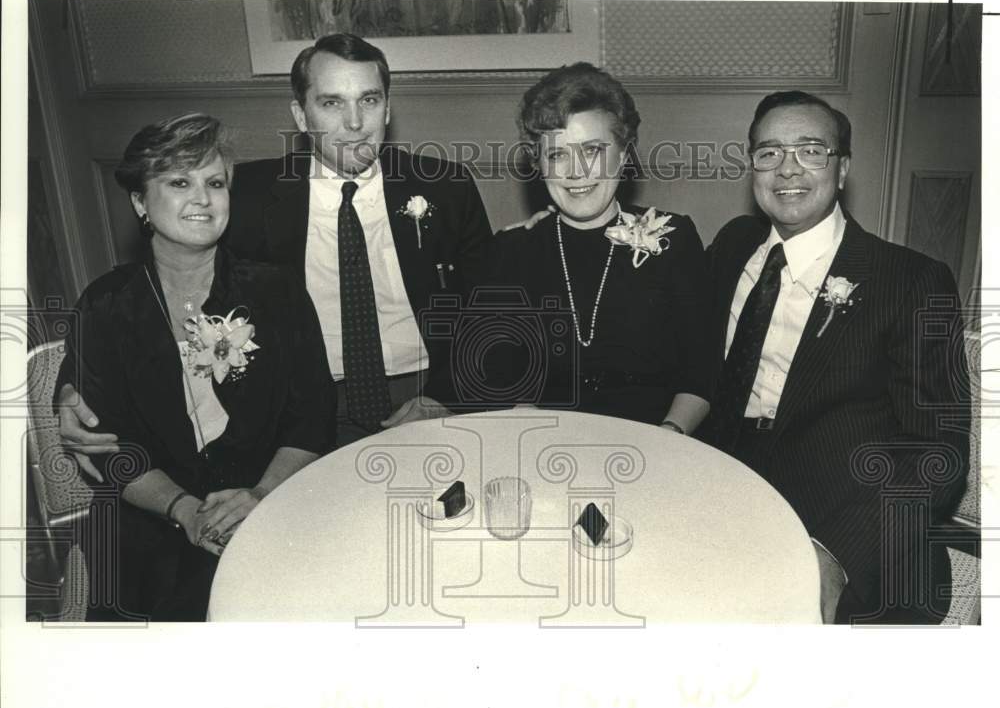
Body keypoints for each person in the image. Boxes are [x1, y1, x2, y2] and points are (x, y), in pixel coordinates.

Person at [58, 33, 493, 462]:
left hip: (425, 393)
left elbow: (489, 309)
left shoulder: (446, 187)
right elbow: (161, 284)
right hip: (297, 414)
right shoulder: (244, 194)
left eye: (369, 100)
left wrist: (442, 398)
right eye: (331, 103)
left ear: (388, 108)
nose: (355, 122)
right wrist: (73, 382)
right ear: (301, 116)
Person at [699, 90, 970, 624]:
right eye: (769, 152)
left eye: (811, 150)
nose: (787, 169)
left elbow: (939, 452)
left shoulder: (911, 281)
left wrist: (837, 556)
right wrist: (558, 223)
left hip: (847, 510)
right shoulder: (732, 245)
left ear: (842, 169)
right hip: (724, 497)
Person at [60, 114, 330, 620]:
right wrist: (183, 509)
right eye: (179, 183)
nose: (202, 199)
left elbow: (312, 417)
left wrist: (260, 495)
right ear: (140, 202)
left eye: (215, 183)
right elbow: (111, 447)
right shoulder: (105, 305)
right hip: (151, 519)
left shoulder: (277, 291)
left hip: (268, 506)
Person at [479, 62, 713, 431]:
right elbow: (501, 376)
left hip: (658, 442)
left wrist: (669, 438)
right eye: (556, 154)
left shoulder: (673, 239)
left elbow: (702, 371)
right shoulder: (511, 250)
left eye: (592, 151)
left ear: (623, 154)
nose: (576, 172)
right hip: (545, 442)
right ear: (538, 164)